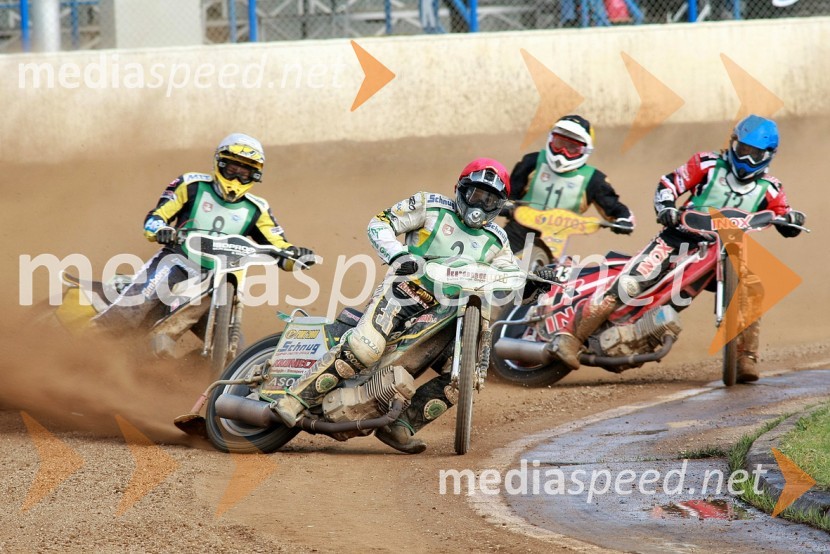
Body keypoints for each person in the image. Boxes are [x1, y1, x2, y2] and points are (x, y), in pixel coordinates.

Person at [272, 158, 522, 453]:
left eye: (490, 199)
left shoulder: (498, 238)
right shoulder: (429, 204)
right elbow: (381, 222)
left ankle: (399, 426)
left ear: (500, 205)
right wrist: (398, 255)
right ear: (460, 189)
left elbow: (510, 274)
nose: (480, 204)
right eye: (476, 194)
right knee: (365, 349)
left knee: (465, 377)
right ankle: (294, 398)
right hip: (406, 291)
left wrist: (535, 281)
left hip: (452, 312)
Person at [548, 115, 806, 383]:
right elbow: (669, 183)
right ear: (732, 144)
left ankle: (746, 358)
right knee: (631, 283)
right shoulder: (707, 164)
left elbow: (784, 215)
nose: (748, 159)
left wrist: (793, 221)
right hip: (680, 237)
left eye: (756, 154)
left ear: (769, 155)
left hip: (727, 249)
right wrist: (667, 207)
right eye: (743, 150)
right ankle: (572, 339)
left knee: (752, 289)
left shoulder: (771, 188)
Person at [93, 133, 316, 350]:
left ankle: (199, 379)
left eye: (245, 172)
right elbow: (156, 217)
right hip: (177, 263)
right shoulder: (191, 185)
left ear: (255, 175)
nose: (237, 178)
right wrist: (161, 230)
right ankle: (84, 343)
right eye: (232, 169)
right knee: (135, 306)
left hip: (223, 283)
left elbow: (279, 247)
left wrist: (297, 257)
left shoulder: (257, 209)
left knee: (235, 350)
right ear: (219, 164)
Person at [504, 114, 635, 255]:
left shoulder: (594, 180)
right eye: (559, 143)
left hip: (555, 242)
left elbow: (614, 208)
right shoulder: (532, 162)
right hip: (516, 232)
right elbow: (508, 193)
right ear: (551, 139)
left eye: (572, 147)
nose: (562, 152)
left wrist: (624, 219)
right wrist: (504, 205)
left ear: (585, 150)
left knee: (549, 274)